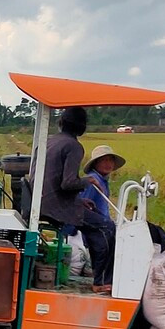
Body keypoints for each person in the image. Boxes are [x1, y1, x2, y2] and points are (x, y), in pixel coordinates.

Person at [78, 144, 165, 272]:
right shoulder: (92, 182)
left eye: (110, 160)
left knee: (142, 226)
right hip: (98, 230)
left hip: (104, 226)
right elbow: (84, 209)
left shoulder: (102, 180)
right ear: (95, 163)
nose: (108, 163)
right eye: (104, 160)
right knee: (142, 229)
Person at [38, 107, 113, 287]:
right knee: (107, 227)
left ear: (61, 122)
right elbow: (67, 183)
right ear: (82, 126)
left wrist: (79, 201)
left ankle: (96, 274)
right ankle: (101, 281)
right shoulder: (73, 146)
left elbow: (55, 181)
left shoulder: (50, 141)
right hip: (57, 207)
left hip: (43, 201)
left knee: (95, 224)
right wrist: (88, 181)